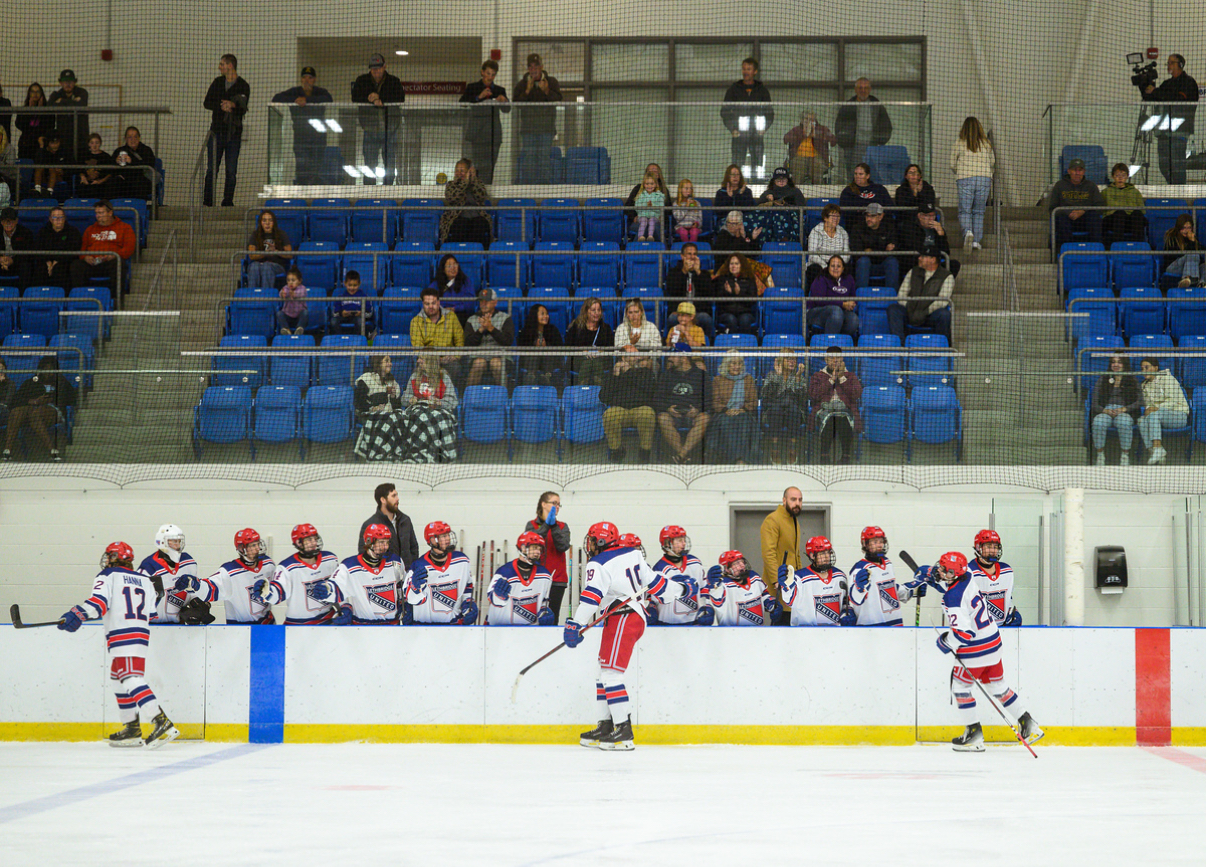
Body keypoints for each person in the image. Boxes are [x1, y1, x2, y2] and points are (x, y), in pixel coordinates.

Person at [566, 521, 693, 750]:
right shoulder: (633, 554)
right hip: (627, 617)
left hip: (623, 616)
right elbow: (656, 584)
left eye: (593, 539)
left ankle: (623, 731)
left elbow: (592, 596)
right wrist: (682, 589)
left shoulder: (598, 562)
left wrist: (576, 623)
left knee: (611, 675)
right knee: (602, 673)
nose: (591, 544)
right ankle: (606, 725)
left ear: (601, 541)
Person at [57, 541, 179, 748]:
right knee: (117, 678)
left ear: (114, 557)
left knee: (130, 678)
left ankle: (161, 722)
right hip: (140, 633)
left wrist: (77, 613)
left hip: (122, 633)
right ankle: (132, 729)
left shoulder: (107, 576)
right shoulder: (145, 579)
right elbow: (151, 613)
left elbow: (98, 604)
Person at [927, 551, 1044, 750]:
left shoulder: (952, 598)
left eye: (943, 570)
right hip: (994, 643)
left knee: (961, 688)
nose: (940, 571)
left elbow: (964, 634)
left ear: (953, 574)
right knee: (998, 686)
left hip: (975, 651)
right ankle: (1029, 724)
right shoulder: (969, 577)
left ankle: (973, 735)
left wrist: (945, 642)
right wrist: (932, 575)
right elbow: (951, 585)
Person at [253, 524, 345, 625]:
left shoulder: (330, 559)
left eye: (315, 538)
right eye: (309, 540)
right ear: (298, 543)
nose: (314, 542)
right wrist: (266, 592)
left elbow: (341, 586)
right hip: (297, 624)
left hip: (327, 620)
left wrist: (346, 607)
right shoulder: (287, 567)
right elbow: (278, 592)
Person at [1, 355, 76, 462]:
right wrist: (34, 401)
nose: (48, 372)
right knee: (16, 412)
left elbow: (71, 399)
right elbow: (16, 400)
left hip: (52, 410)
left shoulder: (61, 382)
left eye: (51, 369)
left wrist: (50, 400)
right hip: (31, 408)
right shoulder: (31, 383)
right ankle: (7, 451)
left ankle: (53, 451)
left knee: (35, 413)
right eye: (45, 369)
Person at [195, 529, 277, 625]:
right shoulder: (229, 572)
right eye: (252, 546)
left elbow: (277, 591)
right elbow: (210, 587)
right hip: (240, 630)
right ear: (241, 549)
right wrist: (195, 584)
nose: (257, 549)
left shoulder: (268, 564)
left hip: (268, 625)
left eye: (257, 544)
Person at [1141, 53, 1198, 185]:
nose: (1169, 65)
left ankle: (1179, 193)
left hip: (1179, 130)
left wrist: (1155, 91)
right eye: (1168, 63)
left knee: (1177, 166)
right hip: (1163, 132)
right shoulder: (1166, 83)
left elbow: (1178, 99)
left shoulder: (1188, 82)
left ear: (1181, 65)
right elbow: (1153, 98)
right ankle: (1174, 188)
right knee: (1164, 165)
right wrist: (1146, 87)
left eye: (1172, 62)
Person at [271, 66, 334, 185]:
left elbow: (329, 99)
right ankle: (302, 197)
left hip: (318, 139)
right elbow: (276, 98)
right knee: (301, 168)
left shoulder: (321, 92)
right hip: (300, 138)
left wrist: (306, 100)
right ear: (301, 79)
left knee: (316, 169)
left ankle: (315, 197)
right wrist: (295, 100)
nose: (306, 80)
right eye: (304, 77)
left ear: (314, 79)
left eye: (310, 78)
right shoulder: (295, 92)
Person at [332, 524, 406, 625]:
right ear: (368, 542)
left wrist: (405, 604)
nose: (385, 547)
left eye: (387, 542)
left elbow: (402, 586)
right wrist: (345, 607)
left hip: (393, 626)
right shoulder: (349, 566)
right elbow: (334, 588)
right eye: (380, 542)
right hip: (363, 628)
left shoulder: (395, 562)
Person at [202, 54, 250, 206]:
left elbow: (243, 108)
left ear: (230, 65)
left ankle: (227, 201)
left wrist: (233, 105)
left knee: (231, 171)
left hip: (233, 135)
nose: (219, 67)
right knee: (211, 170)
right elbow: (207, 102)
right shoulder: (217, 82)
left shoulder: (243, 85)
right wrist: (222, 105)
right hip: (216, 133)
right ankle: (208, 202)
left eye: (222, 64)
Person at [351, 53, 406, 185]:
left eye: (379, 68)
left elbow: (400, 98)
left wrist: (380, 98)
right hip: (370, 129)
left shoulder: (394, 81)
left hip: (390, 129)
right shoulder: (362, 81)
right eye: (373, 69)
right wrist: (370, 98)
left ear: (384, 67)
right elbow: (355, 97)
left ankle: (388, 189)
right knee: (369, 162)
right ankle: (370, 191)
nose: (376, 71)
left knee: (390, 162)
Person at [779, 536, 855, 627]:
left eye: (828, 552)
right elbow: (789, 601)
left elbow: (845, 603)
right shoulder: (799, 578)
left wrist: (847, 613)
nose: (827, 556)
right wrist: (787, 585)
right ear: (812, 555)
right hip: (806, 635)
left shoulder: (840, 576)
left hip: (834, 634)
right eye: (822, 553)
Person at [847, 526, 915, 626]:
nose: (879, 545)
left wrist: (912, 590)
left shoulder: (888, 563)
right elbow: (854, 599)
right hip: (872, 628)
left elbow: (890, 590)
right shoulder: (859, 568)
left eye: (881, 541)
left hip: (895, 624)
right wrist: (858, 588)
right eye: (874, 542)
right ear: (866, 545)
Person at [600, 346, 657, 463]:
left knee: (648, 413)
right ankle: (616, 451)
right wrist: (616, 375)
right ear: (624, 358)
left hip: (641, 409)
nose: (638, 357)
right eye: (633, 355)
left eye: (637, 354)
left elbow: (650, 390)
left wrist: (629, 372)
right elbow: (604, 397)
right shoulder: (612, 376)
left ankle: (644, 452)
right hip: (620, 410)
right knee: (609, 415)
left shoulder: (645, 372)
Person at [720, 58, 774, 180]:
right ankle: (737, 188)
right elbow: (725, 111)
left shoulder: (762, 90)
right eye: (744, 68)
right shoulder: (734, 89)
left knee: (758, 162)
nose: (745, 71)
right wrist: (732, 129)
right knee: (738, 163)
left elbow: (769, 113)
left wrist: (763, 129)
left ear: (755, 71)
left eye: (748, 69)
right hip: (739, 135)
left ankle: (757, 186)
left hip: (757, 135)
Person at [136, 523, 200, 625]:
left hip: (180, 626)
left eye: (179, 541)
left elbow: (193, 592)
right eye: (174, 541)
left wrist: (197, 603)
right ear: (162, 542)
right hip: (153, 627)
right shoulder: (148, 567)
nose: (178, 545)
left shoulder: (188, 561)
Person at [486, 532, 555, 625]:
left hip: (530, 632)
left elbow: (544, 602)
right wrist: (498, 596)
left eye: (540, 549)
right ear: (522, 548)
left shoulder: (545, 575)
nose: (538, 552)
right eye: (534, 548)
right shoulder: (504, 572)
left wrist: (544, 611)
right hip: (500, 631)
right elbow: (492, 600)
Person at [513, 53, 562, 185]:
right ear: (528, 69)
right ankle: (529, 189)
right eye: (530, 67)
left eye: (536, 66)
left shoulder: (551, 82)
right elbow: (515, 104)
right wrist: (527, 91)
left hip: (546, 130)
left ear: (542, 67)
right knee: (529, 159)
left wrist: (546, 91)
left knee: (544, 159)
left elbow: (558, 100)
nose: (533, 69)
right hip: (528, 130)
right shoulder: (521, 84)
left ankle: (543, 190)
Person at [399, 354, 459, 463]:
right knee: (421, 417)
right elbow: (403, 399)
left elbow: (453, 401)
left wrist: (439, 402)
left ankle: (443, 455)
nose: (418, 361)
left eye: (422, 358)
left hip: (438, 410)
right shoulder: (414, 377)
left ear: (430, 361)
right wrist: (410, 400)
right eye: (418, 358)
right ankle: (417, 456)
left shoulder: (444, 377)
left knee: (440, 419)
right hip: (418, 409)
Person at [888, 246, 954, 342]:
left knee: (944, 314)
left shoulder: (947, 277)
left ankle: (941, 346)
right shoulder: (913, 271)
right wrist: (911, 308)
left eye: (923, 256)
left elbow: (942, 301)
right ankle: (899, 346)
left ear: (933, 259)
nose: (919, 258)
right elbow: (901, 294)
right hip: (911, 311)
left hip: (930, 315)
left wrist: (924, 312)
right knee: (893, 309)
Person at [524, 491, 572, 623]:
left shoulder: (562, 526)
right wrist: (546, 525)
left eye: (559, 504)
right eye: (554, 503)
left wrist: (554, 525)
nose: (557, 506)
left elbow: (562, 546)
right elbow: (532, 544)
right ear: (544, 504)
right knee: (531, 616)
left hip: (557, 580)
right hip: (535, 578)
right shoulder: (532, 525)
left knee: (551, 617)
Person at [809, 346, 863, 464]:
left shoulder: (850, 376)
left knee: (841, 419)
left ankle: (845, 457)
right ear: (826, 360)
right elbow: (814, 394)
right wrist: (831, 380)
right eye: (831, 358)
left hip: (845, 410)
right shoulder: (818, 376)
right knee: (830, 419)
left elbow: (856, 395)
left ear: (842, 359)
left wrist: (842, 378)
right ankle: (824, 456)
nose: (835, 360)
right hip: (824, 409)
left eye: (838, 358)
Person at [459, 59, 510, 184]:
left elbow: (507, 109)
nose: (490, 77)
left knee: (490, 166)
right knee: (476, 165)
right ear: (482, 72)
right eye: (488, 73)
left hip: (493, 135)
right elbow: (462, 103)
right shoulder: (473, 87)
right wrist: (479, 97)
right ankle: (474, 189)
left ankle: (485, 191)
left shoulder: (499, 90)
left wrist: (504, 101)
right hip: (477, 134)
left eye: (493, 74)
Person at [656, 347, 710, 463]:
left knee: (704, 418)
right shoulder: (666, 375)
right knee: (662, 418)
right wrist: (667, 408)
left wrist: (697, 409)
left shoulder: (701, 375)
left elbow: (708, 399)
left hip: (694, 415)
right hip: (672, 415)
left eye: (673, 356)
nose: (669, 359)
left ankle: (681, 456)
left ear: (684, 358)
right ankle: (683, 455)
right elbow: (658, 398)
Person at [648, 526, 709, 626]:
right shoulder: (659, 569)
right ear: (667, 543)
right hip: (667, 626)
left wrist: (707, 607)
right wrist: (651, 608)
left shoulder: (695, 563)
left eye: (684, 540)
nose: (684, 543)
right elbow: (654, 599)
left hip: (694, 625)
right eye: (679, 540)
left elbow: (704, 589)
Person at [834, 77, 892, 180]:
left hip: (873, 147)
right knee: (854, 176)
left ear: (870, 89)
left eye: (866, 88)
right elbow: (839, 127)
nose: (863, 90)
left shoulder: (877, 105)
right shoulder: (848, 106)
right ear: (855, 90)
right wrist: (845, 142)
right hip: (853, 148)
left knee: (873, 175)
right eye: (860, 88)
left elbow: (886, 126)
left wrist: (880, 141)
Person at [950, 117, 995, 250]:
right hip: (984, 179)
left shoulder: (960, 142)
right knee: (979, 211)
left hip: (965, 178)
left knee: (965, 210)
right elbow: (992, 162)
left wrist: (960, 171)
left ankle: (967, 232)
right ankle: (976, 241)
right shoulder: (986, 143)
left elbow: (952, 164)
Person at [702, 550, 778, 627]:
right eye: (736, 563)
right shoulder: (722, 585)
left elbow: (763, 594)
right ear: (726, 569)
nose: (742, 565)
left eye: (742, 561)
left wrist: (770, 604)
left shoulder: (754, 576)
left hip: (757, 632)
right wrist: (713, 586)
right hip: (732, 635)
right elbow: (716, 600)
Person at [354, 355, 407, 462]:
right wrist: (372, 408)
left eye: (391, 361)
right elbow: (359, 402)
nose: (390, 364)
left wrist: (392, 397)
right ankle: (378, 455)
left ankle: (392, 455)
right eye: (387, 361)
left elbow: (397, 406)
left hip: (388, 415)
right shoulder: (366, 379)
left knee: (399, 418)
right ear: (378, 363)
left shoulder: (392, 382)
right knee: (389, 419)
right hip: (369, 415)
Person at [1091, 354, 1141, 466]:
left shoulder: (1132, 379)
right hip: (1105, 411)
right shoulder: (1103, 378)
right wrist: (1104, 410)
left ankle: (1125, 455)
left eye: (1119, 362)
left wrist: (1125, 409)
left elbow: (1139, 401)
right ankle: (1100, 455)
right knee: (1098, 423)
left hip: (1124, 411)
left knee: (1124, 423)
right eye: (1113, 362)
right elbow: (1094, 402)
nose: (1116, 365)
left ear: (1124, 364)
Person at [1138, 356, 1189, 464]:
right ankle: (1155, 451)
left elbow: (1173, 400)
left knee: (1153, 415)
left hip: (1178, 415)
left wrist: (1155, 409)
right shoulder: (1144, 385)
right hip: (1159, 417)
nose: (1144, 371)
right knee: (1141, 421)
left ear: (1156, 368)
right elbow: (1148, 405)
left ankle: (1157, 449)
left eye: (1147, 367)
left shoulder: (1167, 378)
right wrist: (1148, 409)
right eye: (1142, 368)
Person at [759, 486, 803, 612]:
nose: (797, 503)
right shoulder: (772, 520)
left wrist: (800, 581)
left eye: (800, 500)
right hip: (779, 587)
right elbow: (768, 554)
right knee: (780, 625)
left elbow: (796, 554)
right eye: (793, 499)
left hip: (793, 585)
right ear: (784, 500)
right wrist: (776, 581)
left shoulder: (794, 521)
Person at [760, 352, 808, 464]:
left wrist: (797, 379)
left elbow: (803, 399)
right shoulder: (772, 375)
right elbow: (766, 395)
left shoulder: (799, 376)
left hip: (794, 411)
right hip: (774, 411)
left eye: (794, 359)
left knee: (793, 410)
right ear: (781, 361)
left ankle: (792, 449)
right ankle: (775, 449)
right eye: (788, 359)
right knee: (776, 410)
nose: (792, 362)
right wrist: (777, 376)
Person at [710, 350, 757, 463]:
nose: (737, 367)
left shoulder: (748, 378)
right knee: (727, 423)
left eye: (739, 363)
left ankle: (742, 460)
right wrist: (726, 410)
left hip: (743, 412)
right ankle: (733, 460)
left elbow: (754, 401)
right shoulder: (718, 380)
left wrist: (742, 409)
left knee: (744, 422)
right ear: (727, 365)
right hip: (723, 414)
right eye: (733, 363)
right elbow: (714, 402)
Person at [360, 481, 420, 569]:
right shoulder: (370, 524)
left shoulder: (405, 520)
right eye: (393, 496)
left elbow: (413, 547)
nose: (398, 499)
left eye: (397, 495)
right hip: (384, 575)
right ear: (383, 500)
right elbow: (364, 553)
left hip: (406, 573)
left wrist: (411, 568)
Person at [1049, 157, 1105, 250]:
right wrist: (1068, 212)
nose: (1077, 173)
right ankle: (1067, 252)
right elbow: (1052, 208)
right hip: (1066, 219)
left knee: (1095, 218)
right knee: (1062, 220)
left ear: (1084, 172)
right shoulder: (1060, 185)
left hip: (1085, 219)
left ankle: (1096, 251)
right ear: (1069, 171)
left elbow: (1100, 206)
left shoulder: (1091, 186)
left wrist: (1083, 211)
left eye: (1080, 170)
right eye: (1074, 170)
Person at [968, 529, 1021, 627]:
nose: (993, 551)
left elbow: (1008, 598)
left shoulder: (1007, 571)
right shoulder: (969, 573)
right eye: (988, 546)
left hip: (1003, 629)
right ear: (978, 547)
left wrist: (1012, 611)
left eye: (995, 547)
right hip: (977, 632)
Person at [665, 243, 715, 340]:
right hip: (679, 311)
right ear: (682, 256)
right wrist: (684, 272)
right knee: (672, 319)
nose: (692, 257)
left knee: (706, 319)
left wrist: (698, 272)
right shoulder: (674, 272)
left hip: (698, 311)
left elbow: (709, 292)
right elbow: (672, 290)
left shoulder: (704, 273)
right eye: (689, 254)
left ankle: (706, 345)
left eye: (694, 254)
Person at [464, 287, 513, 387]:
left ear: (495, 302)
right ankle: (468, 396)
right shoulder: (471, 319)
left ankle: (504, 395)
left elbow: (507, 341)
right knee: (479, 363)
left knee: (496, 363)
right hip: (478, 355)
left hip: (501, 355)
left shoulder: (505, 318)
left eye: (487, 301)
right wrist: (481, 329)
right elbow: (468, 343)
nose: (483, 304)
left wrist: (491, 328)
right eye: (481, 301)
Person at [439, 158, 492, 247]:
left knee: (479, 225)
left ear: (469, 172)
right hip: (457, 216)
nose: (459, 173)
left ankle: (476, 252)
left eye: (462, 171)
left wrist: (473, 180)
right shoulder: (451, 185)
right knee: (461, 225)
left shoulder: (477, 184)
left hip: (477, 216)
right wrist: (464, 183)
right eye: (457, 170)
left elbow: (481, 196)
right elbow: (452, 198)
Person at [849, 201, 900, 289]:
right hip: (865, 265)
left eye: (872, 216)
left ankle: (892, 296)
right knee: (863, 261)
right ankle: (860, 296)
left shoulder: (889, 227)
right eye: (867, 215)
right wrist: (883, 248)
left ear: (881, 216)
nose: (868, 219)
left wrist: (869, 250)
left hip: (884, 264)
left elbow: (895, 247)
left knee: (892, 261)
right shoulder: (857, 228)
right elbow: (856, 251)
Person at [807, 255, 858, 340]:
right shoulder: (821, 278)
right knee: (836, 312)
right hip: (817, 312)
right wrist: (842, 304)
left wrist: (851, 304)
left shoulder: (849, 279)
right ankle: (829, 346)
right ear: (828, 267)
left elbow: (853, 297)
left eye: (838, 266)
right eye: (832, 266)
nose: (835, 268)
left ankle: (839, 343)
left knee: (853, 319)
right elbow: (820, 300)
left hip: (840, 314)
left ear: (843, 268)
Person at [564, 298, 614, 386]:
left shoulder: (605, 328)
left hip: (601, 359)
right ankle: (599, 387)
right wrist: (582, 352)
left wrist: (600, 352)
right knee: (590, 362)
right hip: (578, 359)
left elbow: (611, 348)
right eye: (593, 310)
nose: (597, 313)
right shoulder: (576, 327)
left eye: (599, 310)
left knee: (592, 362)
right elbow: (568, 345)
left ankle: (582, 386)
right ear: (586, 311)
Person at [410, 287, 465, 365]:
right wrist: (432, 359)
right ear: (423, 304)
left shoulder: (451, 316)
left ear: (439, 303)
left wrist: (455, 356)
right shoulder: (416, 321)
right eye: (427, 304)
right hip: (427, 361)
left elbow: (460, 341)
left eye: (433, 303)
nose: (431, 307)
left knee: (455, 367)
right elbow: (418, 347)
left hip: (449, 360)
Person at [783, 109, 837, 185]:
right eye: (806, 119)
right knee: (798, 167)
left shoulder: (822, 129)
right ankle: (796, 192)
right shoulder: (796, 130)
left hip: (818, 157)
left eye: (812, 119)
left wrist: (816, 135)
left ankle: (818, 193)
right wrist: (803, 133)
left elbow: (833, 141)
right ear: (802, 121)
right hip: (799, 157)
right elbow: (786, 139)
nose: (809, 121)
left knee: (816, 167)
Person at [711, 252, 760, 334]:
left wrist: (739, 294)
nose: (734, 266)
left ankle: (744, 346)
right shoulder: (722, 279)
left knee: (745, 320)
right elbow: (718, 300)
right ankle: (731, 345)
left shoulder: (749, 279)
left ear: (742, 265)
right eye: (731, 264)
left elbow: (753, 301)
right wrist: (729, 293)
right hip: (726, 313)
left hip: (745, 312)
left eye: (736, 264)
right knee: (731, 320)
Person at [1101, 163, 1148, 248]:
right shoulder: (1106, 192)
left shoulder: (1135, 191)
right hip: (1112, 221)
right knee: (1120, 213)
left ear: (1127, 176)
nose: (1120, 178)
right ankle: (1118, 247)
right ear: (1112, 176)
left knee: (1137, 214)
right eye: (1117, 175)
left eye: (1123, 175)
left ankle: (1138, 247)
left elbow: (1142, 210)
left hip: (1130, 222)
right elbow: (1101, 210)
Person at [33, 206, 80, 289]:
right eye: (55, 217)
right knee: (40, 269)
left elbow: (73, 250)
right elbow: (38, 249)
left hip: (65, 262)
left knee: (59, 269)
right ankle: (41, 296)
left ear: (64, 218)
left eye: (60, 217)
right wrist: (48, 261)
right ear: (50, 219)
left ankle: (61, 297)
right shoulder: (43, 232)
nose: (58, 219)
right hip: (46, 261)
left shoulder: (73, 231)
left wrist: (57, 261)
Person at [516, 304, 564, 386]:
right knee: (535, 354)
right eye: (542, 314)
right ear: (535, 315)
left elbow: (560, 347)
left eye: (547, 314)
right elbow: (521, 348)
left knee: (546, 354)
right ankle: (531, 376)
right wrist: (535, 347)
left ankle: (546, 377)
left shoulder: (553, 329)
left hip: (549, 361)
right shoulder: (526, 331)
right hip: (531, 361)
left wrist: (547, 347)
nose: (546, 316)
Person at [805, 203, 849, 289]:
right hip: (821, 265)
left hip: (838, 264)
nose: (836, 219)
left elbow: (846, 253)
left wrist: (838, 265)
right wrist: (827, 267)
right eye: (833, 216)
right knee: (813, 269)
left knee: (849, 268)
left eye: (838, 216)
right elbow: (812, 255)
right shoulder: (816, 231)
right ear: (825, 218)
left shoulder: (843, 232)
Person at [48, 69, 89, 161]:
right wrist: (73, 102)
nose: (68, 84)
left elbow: (81, 104)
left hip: (81, 139)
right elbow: (50, 106)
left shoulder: (82, 92)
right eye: (65, 81)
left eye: (70, 81)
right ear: (60, 82)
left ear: (75, 82)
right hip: (63, 140)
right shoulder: (56, 94)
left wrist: (61, 101)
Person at [246, 210, 292, 288]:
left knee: (266, 266)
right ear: (260, 223)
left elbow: (290, 254)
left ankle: (265, 296)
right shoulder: (255, 235)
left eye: (270, 220)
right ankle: (252, 296)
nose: (267, 223)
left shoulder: (281, 234)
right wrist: (265, 253)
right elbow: (252, 255)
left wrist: (276, 252)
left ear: (274, 222)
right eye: (264, 220)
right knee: (254, 266)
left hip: (277, 265)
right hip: (258, 264)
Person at [111, 126, 157, 201]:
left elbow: (150, 165)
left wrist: (132, 161)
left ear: (139, 138)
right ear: (125, 139)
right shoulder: (119, 151)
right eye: (129, 137)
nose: (133, 140)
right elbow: (110, 168)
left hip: (140, 182)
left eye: (135, 137)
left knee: (139, 183)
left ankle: (140, 209)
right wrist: (115, 162)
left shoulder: (146, 150)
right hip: (124, 182)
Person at [430, 253, 476, 325]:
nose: (453, 268)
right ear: (443, 269)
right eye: (449, 266)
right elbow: (430, 300)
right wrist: (444, 309)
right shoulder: (436, 284)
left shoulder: (465, 281)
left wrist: (455, 309)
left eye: (455, 264)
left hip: (461, 315)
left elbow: (470, 303)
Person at [623, 163, 671, 228]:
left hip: (657, 221)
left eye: (655, 172)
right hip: (640, 220)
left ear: (659, 175)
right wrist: (634, 217)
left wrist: (660, 216)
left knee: (653, 227)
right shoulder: (638, 189)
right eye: (650, 172)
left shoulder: (664, 190)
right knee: (643, 227)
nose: (653, 174)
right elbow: (628, 207)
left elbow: (669, 210)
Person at [1163, 214, 1205, 288]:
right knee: (1192, 254)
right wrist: (1191, 242)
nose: (1186, 231)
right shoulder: (1172, 238)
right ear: (1179, 228)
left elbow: (1199, 256)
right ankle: (1189, 278)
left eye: (1189, 228)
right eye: (1184, 228)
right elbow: (1175, 256)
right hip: (1173, 267)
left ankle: (1202, 284)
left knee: (1204, 266)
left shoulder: (1193, 238)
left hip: (1190, 266)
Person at [330, 270, 375, 337]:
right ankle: (340, 340)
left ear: (359, 284)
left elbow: (370, 312)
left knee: (360, 321)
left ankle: (357, 340)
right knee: (333, 321)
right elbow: (334, 312)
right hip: (343, 317)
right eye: (350, 285)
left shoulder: (364, 296)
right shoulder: (341, 297)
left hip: (358, 317)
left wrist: (361, 313)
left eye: (355, 285)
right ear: (345, 283)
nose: (352, 288)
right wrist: (341, 313)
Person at [16, 83, 52, 162]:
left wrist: (40, 111)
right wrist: (30, 111)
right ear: (29, 94)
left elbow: (49, 126)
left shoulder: (48, 110)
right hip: (26, 145)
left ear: (41, 93)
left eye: (38, 91)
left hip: (41, 144)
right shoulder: (23, 109)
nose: (35, 94)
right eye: (32, 91)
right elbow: (19, 125)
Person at [0, 206, 33, 287]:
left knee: (26, 267)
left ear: (16, 221)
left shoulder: (25, 233)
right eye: (5, 221)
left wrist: (12, 260)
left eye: (11, 221)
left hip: (17, 263)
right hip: (1, 262)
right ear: (1, 222)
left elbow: (28, 254)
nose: (8, 224)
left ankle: (22, 296)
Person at [274, 267, 308, 336]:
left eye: (293, 280)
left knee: (305, 313)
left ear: (299, 281)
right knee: (279, 314)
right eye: (288, 280)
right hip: (288, 316)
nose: (290, 283)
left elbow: (302, 294)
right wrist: (282, 294)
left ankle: (299, 329)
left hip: (299, 317)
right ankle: (287, 330)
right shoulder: (286, 288)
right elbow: (281, 293)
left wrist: (294, 294)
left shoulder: (302, 288)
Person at [33, 134, 67, 199]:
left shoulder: (63, 152)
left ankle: (49, 192)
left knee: (52, 169)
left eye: (57, 143)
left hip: (58, 177)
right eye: (52, 143)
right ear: (48, 143)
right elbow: (37, 163)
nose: (55, 145)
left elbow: (71, 168)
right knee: (39, 168)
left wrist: (62, 171)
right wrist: (41, 147)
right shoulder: (42, 152)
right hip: (44, 177)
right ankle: (37, 190)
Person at [633, 173, 664, 242]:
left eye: (652, 184)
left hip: (654, 216)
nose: (649, 186)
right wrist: (645, 205)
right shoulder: (641, 195)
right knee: (644, 221)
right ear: (644, 184)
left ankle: (650, 236)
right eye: (647, 184)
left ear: (656, 184)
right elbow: (636, 207)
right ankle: (640, 237)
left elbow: (661, 208)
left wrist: (652, 206)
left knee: (652, 220)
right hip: (642, 215)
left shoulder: (659, 195)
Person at [673, 179, 702, 243]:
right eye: (686, 188)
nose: (689, 191)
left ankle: (692, 248)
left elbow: (700, 218)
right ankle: (686, 248)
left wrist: (697, 223)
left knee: (694, 232)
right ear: (680, 190)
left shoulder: (696, 203)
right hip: (681, 227)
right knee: (683, 232)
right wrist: (686, 207)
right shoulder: (676, 204)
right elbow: (678, 217)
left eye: (690, 189)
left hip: (693, 227)